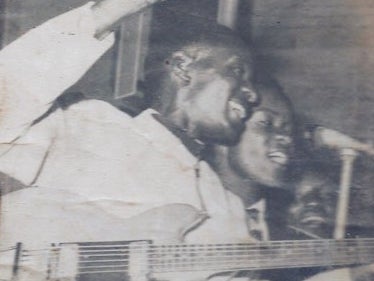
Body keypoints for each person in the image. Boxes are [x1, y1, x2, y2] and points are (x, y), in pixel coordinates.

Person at [0, 1, 264, 280]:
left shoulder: (229, 210)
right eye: (237, 70)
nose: (254, 95)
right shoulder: (88, 124)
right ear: (182, 67)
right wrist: (110, 11)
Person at [211, 74, 373, 281]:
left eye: (287, 128)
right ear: (226, 127)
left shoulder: (292, 241)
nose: (286, 138)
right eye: (266, 123)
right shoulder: (187, 206)